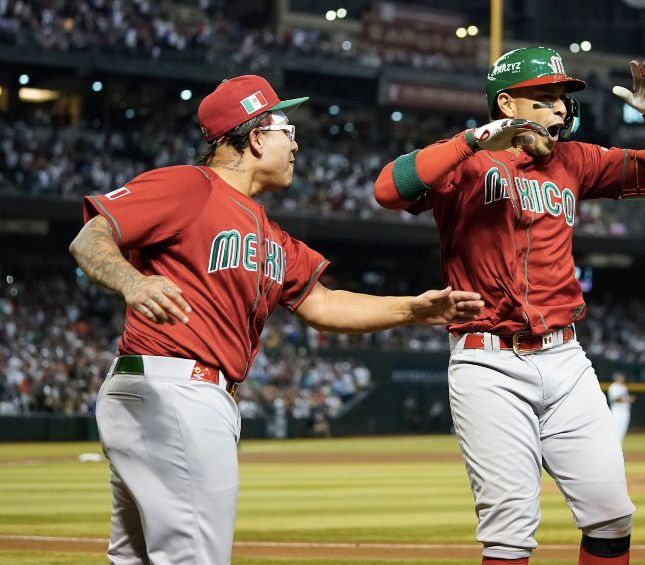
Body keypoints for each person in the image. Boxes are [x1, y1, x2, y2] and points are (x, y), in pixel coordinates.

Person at [68, 74, 484, 564]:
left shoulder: (268, 231)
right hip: (176, 388)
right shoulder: (187, 185)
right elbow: (90, 238)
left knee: (135, 558)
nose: (297, 144)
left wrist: (412, 309)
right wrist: (132, 282)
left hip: (169, 393)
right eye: (288, 130)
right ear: (257, 136)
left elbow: (323, 305)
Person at [374, 46, 645, 565]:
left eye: (561, 98)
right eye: (543, 98)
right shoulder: (464, 161)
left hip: (565, 359)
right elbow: (388, 189)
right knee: (510, 533)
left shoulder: (576, 160)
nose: (559, 109)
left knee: (611, 515)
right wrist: (472, 139)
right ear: (506, 104)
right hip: (487, 361)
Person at [607, 372, 635, 444]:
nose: (622, 378)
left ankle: (619, 448)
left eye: (622, 376)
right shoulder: (613, 386)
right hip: (617, 411)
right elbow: (615, 399)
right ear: (616, 378)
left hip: (625, 411)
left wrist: (628, 399)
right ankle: (613, 448)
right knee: (616, 430)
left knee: (622, 431)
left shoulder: (623, 387)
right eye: (620, 377)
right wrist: (627, 400)